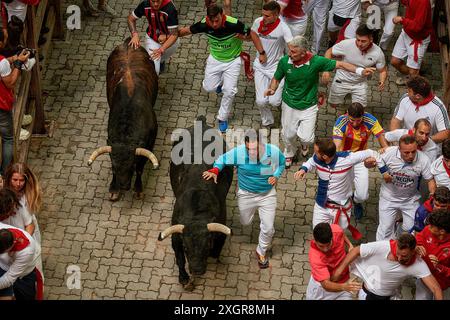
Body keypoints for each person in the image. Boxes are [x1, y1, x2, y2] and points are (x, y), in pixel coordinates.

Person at [265, 35, 375, 167]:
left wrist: (360, 71)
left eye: (293, 52)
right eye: (289, 50)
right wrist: (272, 89)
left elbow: (340, 64)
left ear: (304, 52)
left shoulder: (316, 61)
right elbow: (276, 78)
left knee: (308, 138)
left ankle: (304, 145)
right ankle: (289, 153)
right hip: (289, 104)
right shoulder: (284, 61)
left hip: (309, 105)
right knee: (288, 135)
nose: (290, 54)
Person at [202, 130, 285, 268]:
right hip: (246, 194)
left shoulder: (274, 152)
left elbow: (282, 164)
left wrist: (275, 175)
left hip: (267, 194)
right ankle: (253, 215)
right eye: (248, 149)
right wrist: (215, 170)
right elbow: (221, 159)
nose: (251, 152)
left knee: (269, 228)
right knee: (245, 222)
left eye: (254, 149)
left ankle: (261, 251)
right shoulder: (239, 153)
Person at [179, 4, 263, 133]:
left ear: (222, 15)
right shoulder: (203, 24)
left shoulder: (234, 24)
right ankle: (219, 84)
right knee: (208, 87)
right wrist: (168, 37)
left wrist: (244, 38)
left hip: (233, 60)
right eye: (211, 21)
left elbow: (252, 36)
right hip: (215, 59)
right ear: (207, 18)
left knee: (230, 91)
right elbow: (185, 31)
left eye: (217, 20)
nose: (214, 24)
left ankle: (222, 117)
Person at [294, 137, 379, 239]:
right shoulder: (317, 158)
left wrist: (383, 170)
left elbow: (371, 152)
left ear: (325, 156)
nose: (314, 154)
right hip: (322, 205)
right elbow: (311, 161)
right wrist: (303, 169)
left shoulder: (348, 158)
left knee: (338, 236)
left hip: (342, 206)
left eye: (316, 152)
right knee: (318, 233)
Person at [331, 233, 443, 300]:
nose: (399, 259)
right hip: (367, 295)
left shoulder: (418, 264)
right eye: (397, 253)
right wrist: (339, 270)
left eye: (404, 256)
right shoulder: (383, 246)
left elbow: (435, 288)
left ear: (414, 251)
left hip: (391, 297)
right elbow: (356, 250)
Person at [332, 102, 388, 220]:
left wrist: (385, 150)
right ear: (347, 114)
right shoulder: (341, 122)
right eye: (352, 120)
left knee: (362, 196)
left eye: (358, 120)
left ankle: (356, 201)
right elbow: (336, 148)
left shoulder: (370, 120)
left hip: (361, 158)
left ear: (363, 115)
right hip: (344, 159)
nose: (355, 123)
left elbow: (382, 140)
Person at [376, 135, 436, 240]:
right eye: (406, 153)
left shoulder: (423, 159)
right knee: (385, 230)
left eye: (413, 151)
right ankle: (381, 254)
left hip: (410, 200)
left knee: (411, 230)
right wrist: (382, 171)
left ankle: (398, 232)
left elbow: (430, 180)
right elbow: (372, 161)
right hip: (388, 197)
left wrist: (432, 196)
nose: (411, 155)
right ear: (399, 149)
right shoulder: (389, 152)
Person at [323, 24, 388, 109]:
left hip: (359, 83)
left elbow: (382, 70)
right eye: (358, 40)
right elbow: (329, 52)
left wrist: (382, 81)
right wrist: (326, 70)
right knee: (333, 105)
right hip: (341, 80)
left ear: (371, 39)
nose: (359, 44)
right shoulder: (347, 44)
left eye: (363, 41)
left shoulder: (378, 53)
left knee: (359, 109)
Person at [251, 1, 292, 128]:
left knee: (274, 102)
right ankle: (267, 122)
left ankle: (282, 102)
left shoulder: (284, 28)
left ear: (276, 15)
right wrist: (261, 52)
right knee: (261, 101)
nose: (264, 18)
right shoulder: (258, 22)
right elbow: (253, 34)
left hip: (276, 68)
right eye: (263, 14)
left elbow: (291, 46)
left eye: (267, 16)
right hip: (260, 67)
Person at [0, 31, 30, 181]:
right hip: (1, 107)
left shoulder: (4, 61)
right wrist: (18, 64)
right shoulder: (2, 63)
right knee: (8, 139)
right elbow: (10, 82)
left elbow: (5, 62)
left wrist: (13, 58)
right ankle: (3, 174)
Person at [306, 222, 361, 300]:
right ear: (315, 240)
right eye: (321, 246)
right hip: (322, 290)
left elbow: (342, 234)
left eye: (328, 245)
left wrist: (349, 244)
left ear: (332, 237)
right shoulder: (315, 257)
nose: (325, 249)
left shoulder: (336, 230)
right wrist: (344, 287)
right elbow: (326, 285)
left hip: (343, 283)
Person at [391, 76, 450, 144]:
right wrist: (395, 141)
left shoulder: (438, 107)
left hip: (428, 148)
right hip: (407, 143)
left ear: (418, 96)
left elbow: (445, 133)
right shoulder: (405, 98)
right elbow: (395, 120)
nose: (407, 92)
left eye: (409, 91)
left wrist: (425, 140)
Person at [128, 0, 179, 75]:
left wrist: (161, 49)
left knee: (162, 57)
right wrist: (134, 34)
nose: (155, 4)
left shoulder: (170, 9)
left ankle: (162, 61)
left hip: (170, 41)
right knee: (153, 71)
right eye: (153, 1)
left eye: (158, 1)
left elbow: (174, 35)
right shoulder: (144, 4)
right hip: (152, 39)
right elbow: (131, 19)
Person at [391, 0, 433, 85]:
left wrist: (402, 20)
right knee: (395, 62)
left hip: (419, 39)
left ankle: (419, 85)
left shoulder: (423, 2)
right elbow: (405, 2)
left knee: (413, 72)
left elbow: (418, 27)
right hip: (406, 33)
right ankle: (413, 75)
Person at [0, 222, 43, 300]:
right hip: (2, 267)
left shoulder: (27, 251)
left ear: (9, 248)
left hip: (23, 276)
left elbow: (9, 278)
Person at [415, 209, 450, 299]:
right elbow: (419, 237)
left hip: (443, 283)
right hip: (424, 278)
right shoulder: (428, 229)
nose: (428, 227)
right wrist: (419, 245)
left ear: (442, 231)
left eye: (431, 226)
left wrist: (439, 267)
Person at [3, 163, 42, 244]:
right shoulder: (3, 194)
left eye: (21, 180)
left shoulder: (27, 197)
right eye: (15, 180)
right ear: (9, 178)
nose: (18, 184)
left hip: (23, 232)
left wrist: (24, 241)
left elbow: (29, 225)